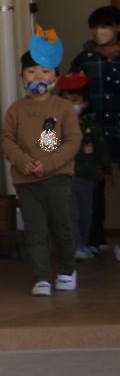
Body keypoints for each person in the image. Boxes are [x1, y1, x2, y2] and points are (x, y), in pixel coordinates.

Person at [2, 27, 81, 296]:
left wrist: (47, 164)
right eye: (31, 71)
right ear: (21, 76)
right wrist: (22, 161)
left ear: (55, 77)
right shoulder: (16, 110)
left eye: (45, 71)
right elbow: (7, 140)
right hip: (26, 181)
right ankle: (41, 277)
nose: (38, 76)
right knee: (35, 230)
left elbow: (73, 141)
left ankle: (67, 271)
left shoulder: (63, 108)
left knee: (61, 227)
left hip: (57, 177)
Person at [68, 6, 120, 256]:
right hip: (91, 129)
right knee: (90, 184)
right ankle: (92, 239)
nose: (100, 31)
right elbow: (70, 92)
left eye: (106, 25)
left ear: (117, 28)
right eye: (96, 26)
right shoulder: (84, 59)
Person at [55, 71, 113, 261]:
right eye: (65, 100)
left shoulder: (91, 127)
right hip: (64, 177)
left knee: (87, 213)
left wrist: (107, 171)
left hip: (88, 178)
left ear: (85, 103)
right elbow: (45, 147)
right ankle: (75, 247)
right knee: (71, 214)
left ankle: (84, 245)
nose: (70, 104)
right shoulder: (54, 126)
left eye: (75, 100)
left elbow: (102, 151)